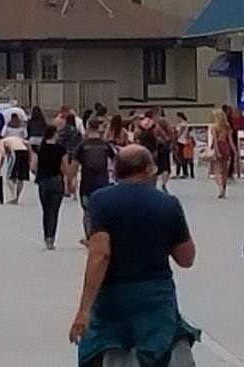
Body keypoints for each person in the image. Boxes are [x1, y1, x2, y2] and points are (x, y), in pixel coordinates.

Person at [69, 145, 200, 367]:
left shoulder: (100, 200)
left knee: (102, 350)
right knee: (161, 352)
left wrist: (84, 310)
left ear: (117, 170)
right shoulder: (168, 203)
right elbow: (186, 258)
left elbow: (101, 254)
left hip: (113, 297)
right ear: (149, 169)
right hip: (156, 298)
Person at [72, 118, 116, 244]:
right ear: (99, 128)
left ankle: (89, 237)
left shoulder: (82, 145)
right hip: (103, 182)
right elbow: (116, 160)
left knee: (87, 211)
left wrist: (71, 180)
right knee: (103, 211)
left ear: (88, 127)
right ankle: (103, 236)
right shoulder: (105, 144)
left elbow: (74, 165)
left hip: (87, 183)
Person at [34, 125, 66, 250]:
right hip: (57, 181)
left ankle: (47, 235)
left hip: (43, 182)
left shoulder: (40, 149)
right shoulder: (60, 149)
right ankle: (51, 238)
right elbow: (64, 167)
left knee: (46, 210)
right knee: (54, 211)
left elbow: (33, 166)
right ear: (54, 134)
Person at [207, 108, 235, 199]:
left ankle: (220, 189)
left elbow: (214, 141)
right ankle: (224, 188)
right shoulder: (227, 127)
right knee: (225, 170)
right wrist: (234, 150)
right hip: (226, 147)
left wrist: (217, 151)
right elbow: (230, 140)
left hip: (218, 146)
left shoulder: (214, 127)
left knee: (218, 170)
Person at [57, 112, 84, 198]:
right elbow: (80, 143)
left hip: (65, 152)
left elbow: (59, 142)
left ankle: (66, 190)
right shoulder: (77, 132)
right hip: (75, 153)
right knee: (74, 173)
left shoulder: (62, 131)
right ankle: (75, 191)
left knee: (65, 172)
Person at [0, 133, 31, 204]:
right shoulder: (15, 138)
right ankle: (17, 197)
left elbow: (3, 153)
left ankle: (13, 196)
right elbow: (28, 143)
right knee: (21, 178)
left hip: (16, 152)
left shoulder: (1, 142)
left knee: (9, 177)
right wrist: (30, 156)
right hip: (25, 152)